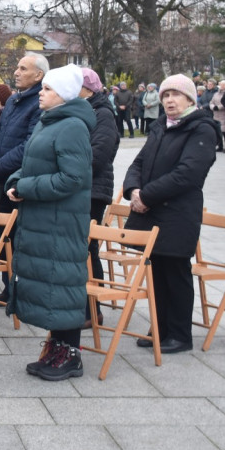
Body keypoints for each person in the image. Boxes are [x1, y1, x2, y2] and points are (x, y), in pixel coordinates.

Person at [4, 64, 94, 381]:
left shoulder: (72, 127)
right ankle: (56, 349)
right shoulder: (49, 122)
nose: (40, 93)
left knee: (64, 283)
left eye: (47, 89)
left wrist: (26, 188)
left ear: (65, 95)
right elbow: (31, 162)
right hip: (44, 218)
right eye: (42, 88)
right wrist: (15, 181)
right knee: (53, 285)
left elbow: (72, 178)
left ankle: (71, 356)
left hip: (62, 221)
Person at [124, 73, 218, 354]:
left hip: (177, 214)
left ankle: (179, 334)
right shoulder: (160, 127)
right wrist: (132, 190)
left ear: (190, 98)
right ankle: (160, 327)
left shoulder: (202, 129)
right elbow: (138, 162)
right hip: (151, 211)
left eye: (175, 94)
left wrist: (146, 196)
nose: (169, 100)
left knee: (175, 272)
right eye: (165, 95)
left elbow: (188, 173)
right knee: (157, 271)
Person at [0, 52, 48, 304]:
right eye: (17, 68)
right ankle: (10, 287)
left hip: (18, 180)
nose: (16, 72)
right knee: (4, 237)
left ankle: (22, 291)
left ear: (38, 75)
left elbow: (28, 145)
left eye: (23, 68)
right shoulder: (13, 101)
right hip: (0, 177)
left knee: (19, 238)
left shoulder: (37, 103)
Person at [78, 67, 119, 326]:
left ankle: (93, 308)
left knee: (88, 247)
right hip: (81, 186)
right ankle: (80, 303)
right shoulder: (81, 109)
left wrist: (69, 167)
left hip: (93, 189)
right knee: (80, 248)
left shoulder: (102, 113)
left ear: (88, 89)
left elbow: (99, 153)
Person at [209, 80, 225, 152]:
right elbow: (211, 102)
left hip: (224, 114)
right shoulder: (216, 94)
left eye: (224, 85)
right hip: (216, 114)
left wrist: (219, 107)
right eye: (221, 85)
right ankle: (220, 146)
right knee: (218, 131)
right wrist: (213, 107)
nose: (222, 86)